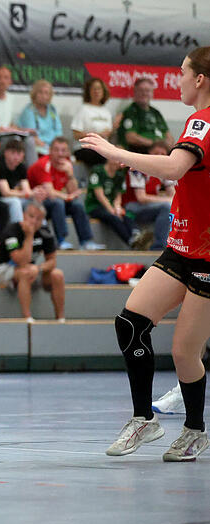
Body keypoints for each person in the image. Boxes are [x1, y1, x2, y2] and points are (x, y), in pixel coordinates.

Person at [80, 46, 210, 462]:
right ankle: (144, 419)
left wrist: (115, 152)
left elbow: (173, 168)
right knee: (131, 323)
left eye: (183, 73)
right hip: (182, 245)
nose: (179, 80)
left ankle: (194, 431)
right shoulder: (196, 120)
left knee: (185, 351)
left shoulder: (204, 122)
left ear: (200, 79)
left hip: (208, 256)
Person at [26, 137, 104, 250]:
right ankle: (61, 241)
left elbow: (74, 191)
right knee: (58, 202)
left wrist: (70, 174)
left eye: (63, 150)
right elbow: (50, 193)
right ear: (50, 151)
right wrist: (67, 196)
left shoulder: (66, 165)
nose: (60, 154)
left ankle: (86, 241)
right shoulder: (43, 164)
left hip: (54, 202)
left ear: (68, 152)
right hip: (36, 203)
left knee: (77, 205)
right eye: (56, 150)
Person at [0, 202, 64, 322]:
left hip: (29, 269)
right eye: (31, 216)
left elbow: (52, 261)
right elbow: (20, 261)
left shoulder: (45, 233)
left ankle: (61, 319)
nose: (34, 221)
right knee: (25, 272)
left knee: (57, 274)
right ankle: (27, 318)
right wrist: (29, 236)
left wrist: (39, 268)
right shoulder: (11, 231)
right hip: (2, 270)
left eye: (38, 219)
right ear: (24, 215)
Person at [0, 66, 38, 164]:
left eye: (6, 78)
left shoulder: (10, 98)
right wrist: (2, 129)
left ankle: (33, 175)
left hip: (7, 136)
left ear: (10, 82)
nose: (2, 81)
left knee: (29, 139)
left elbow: (11, 125)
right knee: (15, 141)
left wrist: (23, 131)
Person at [121, 141, 175, 251]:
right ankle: (159, 246)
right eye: (156, 153)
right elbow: (141, 198)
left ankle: (176, 243)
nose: (159, 157)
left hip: (150, 206)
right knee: (166, 207)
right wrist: (168, 200)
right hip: (131, 207)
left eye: (163, 154)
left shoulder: (163, 170)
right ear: (149, 153)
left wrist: (171, 199)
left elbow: (172, 193)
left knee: (175, 207)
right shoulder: (137, 169)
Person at [85, 159, 136, 247]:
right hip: (95, 206)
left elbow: (118, 196)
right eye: (118, 159)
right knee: (113, 217)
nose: (120, 162)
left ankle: (136, 234)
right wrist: (112, 211)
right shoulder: (98, 171)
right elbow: (100, 195)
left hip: (111, 206)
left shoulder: (120, 175)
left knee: (127, 214)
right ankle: (130, 241)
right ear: (109, 158)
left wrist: (117, 208)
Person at [118, 78, 174, 154]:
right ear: (135, 92)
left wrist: (168, 145)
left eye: (147, 91)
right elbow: (130, 137)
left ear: (152, 93)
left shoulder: (155, 112)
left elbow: (169, 136)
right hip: (141, 151)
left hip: (161, 149)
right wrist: (154, 143)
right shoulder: (131, 111)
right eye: (141, 90)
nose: (144, 93)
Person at [71, 78, 117, 165]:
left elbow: (108, 134)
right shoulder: (83, 109)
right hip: (86, 148)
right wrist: (97, 135)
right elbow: (76, 135)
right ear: (89, 92)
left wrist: (114, 128)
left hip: (103, 148)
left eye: (99, 89)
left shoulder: (106, 112)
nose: (96, 91)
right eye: (94, 89)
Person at [17, 80, 62, 156]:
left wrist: (56, 146)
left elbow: (58, 131)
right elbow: (32, 135)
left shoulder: (52, 110)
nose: (43, 96)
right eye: (40, 92)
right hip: (37, 146)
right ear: (35, 94)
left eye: (46, 93)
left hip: (53, 146)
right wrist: (48, 147)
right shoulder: (29, 111)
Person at [0, 139, 32, 227]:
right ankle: (16, 230)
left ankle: (39, 231)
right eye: (13, 153)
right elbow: (5, 192)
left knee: (34, 201)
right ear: (6, 153)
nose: (16, 157)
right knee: (15, 202)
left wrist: (32, 194)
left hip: (11, 196)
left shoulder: (22, 167)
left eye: (19, 154)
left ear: (23, 155)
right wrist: (24, 194)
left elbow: (27, 191)